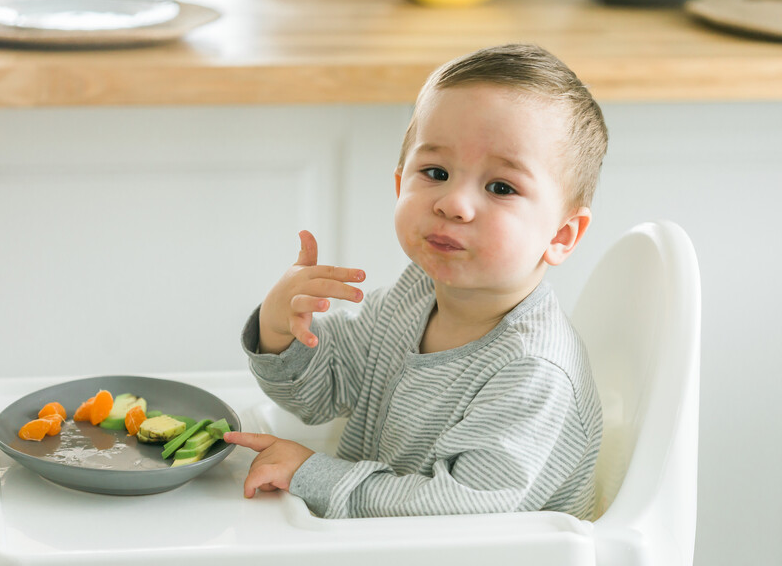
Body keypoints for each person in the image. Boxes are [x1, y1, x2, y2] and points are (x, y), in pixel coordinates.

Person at [225, 43, 608, 520]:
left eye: (501, 187)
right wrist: (280, 328)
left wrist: (310, 472)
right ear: (400, 183)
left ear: (561, 235)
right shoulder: (413, 297)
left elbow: (461, 511)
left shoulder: (535, 374)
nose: (454, 203)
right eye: (436, 172)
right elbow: (320, 395)